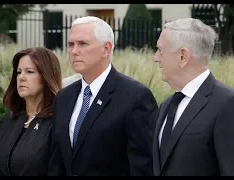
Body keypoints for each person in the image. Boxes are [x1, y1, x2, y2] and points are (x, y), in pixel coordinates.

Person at [48, 16, 158, 176]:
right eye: (70, 44)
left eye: (82, 44)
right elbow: (57, 161)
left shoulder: (135, 97)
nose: (74, 51)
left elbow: (144, 166)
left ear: (106, 49)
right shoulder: (64, 97)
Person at [152, 18, 234, 176]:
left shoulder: (227, 104)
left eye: (160, 50)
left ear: (183, 56)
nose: (156, 57)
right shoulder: (167, 105)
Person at [0, 47, 62, 176]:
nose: (21, 78)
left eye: (29, 72)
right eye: (18, 72)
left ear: (47, 76)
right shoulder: (9, 119)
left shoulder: (58, 121)